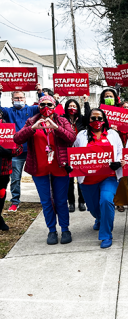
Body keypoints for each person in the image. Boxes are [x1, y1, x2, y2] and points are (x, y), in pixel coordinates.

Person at [14, 96, 76, 245]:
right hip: (39, 169)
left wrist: (56, 128)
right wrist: (32, 128)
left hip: (59, 168)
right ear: (38, 105)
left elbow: (71, 137)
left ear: (54, 106)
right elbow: (17, 138)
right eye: (43, 104)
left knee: (61, 201)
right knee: (46, 201)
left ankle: (65, 229)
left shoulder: (62, 120)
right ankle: (52, 231)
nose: (46, 107)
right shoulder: (31, 121)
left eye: (49, 104)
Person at [74, 108, 124, 249]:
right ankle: (99, 218)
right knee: (93, 208)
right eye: (93, 118)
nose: (97, 121)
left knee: (107, 201)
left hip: (108, 176)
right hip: (88, 179)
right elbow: (75, 154)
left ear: (104, 120)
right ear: (88, 120)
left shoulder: (113, 134)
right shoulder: (81, 136)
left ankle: (106, 234)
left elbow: (120, 151)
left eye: (100, 118)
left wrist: (118, 161)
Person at [0, 84, 41, 212]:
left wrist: (40, 93)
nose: (19, 100)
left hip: (32, 150)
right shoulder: (8, 112)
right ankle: (15, 201)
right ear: (12, 100)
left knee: (38, 177)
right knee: (15, 179)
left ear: (25, 98)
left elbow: (45, 106)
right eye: (16, 98)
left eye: (21, 98)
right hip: (16, 151)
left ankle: (44, 199)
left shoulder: (33, 109)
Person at [100, 88, 128, 213]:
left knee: (121, 175)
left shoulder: (121, 112)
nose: (109, 98)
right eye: (106, 96)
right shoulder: (99, 111)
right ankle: (107, 200)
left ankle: (120, 202)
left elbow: (127, 127)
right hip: (104, 145)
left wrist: (117, 129)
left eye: (111, 96)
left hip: (120, 144)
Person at [62, 96, 91, 213]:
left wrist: (86, 102)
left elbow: (89, 116)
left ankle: (82, 201)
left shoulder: (82, 119)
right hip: (67, 150)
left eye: (74, 106)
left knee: (81, 178)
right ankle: (71, 203)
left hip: (80, 152)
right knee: (69, 179)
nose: (72, 108)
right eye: (70, 106)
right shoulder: (62, 119)